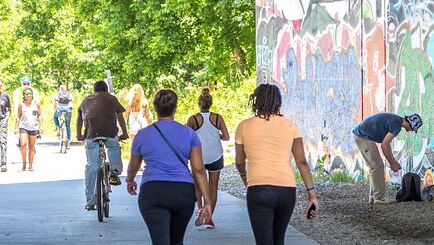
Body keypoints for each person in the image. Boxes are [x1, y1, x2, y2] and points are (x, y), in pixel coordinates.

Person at [126, 89, 212, 244]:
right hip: (182, 192)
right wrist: (207, 202)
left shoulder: (142, 135)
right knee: (177, 240)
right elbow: (198, 169)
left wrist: (129, 181)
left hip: (152, 192)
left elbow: (133, 166)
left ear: (155, 108)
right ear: (175, 108)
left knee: (160, 240)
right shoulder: (189, 134)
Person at [235, 83, 318, 244]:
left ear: (256, 101)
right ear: (278, 103)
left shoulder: (244, 126)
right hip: (286, 190)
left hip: (258, 189)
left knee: (264, 241)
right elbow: (301, 162)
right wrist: (312, 194)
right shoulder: (290, 126)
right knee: (279, 239)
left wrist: (244, 176)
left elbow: (239, 162)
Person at [77, 80, 129, 210]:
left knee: (92, 166)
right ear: (106, 89)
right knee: (113, 147)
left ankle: (90, 200)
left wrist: (79, 135)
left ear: (94, 90)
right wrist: (125, 133)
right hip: (109, 133)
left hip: (91, 135)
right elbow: (120, 117)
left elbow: (79, 118)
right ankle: (114, 172)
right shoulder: (111, 98)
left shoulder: (85, 100)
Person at [353, 111, 423, 204]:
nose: (411, 131)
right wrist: (392, 163)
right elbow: (384, 145)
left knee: (375, 166)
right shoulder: (396, 125)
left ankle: (373, 198)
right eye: (413, 129)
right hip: (363, 137)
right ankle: (378, 198)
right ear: (410, 124)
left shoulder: (395, 119)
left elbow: (387, 144)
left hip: (362, 135)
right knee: (377, 166)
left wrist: (394, 161)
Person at [186, 88, 230, 229]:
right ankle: (209, 219)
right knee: (213, 187)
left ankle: (200, 210)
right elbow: (227, 136)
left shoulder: (193, 119)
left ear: (199, 103)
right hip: (216, 154)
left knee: (198, 185)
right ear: (211, 103)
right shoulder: (218, 118)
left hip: (198, 155)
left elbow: (187, 138)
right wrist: (217, 136)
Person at [15, 87, 42, 171]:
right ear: (24, 95)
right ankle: (24, 163)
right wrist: (16, 127)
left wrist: (41, 126)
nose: (29, 95)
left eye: (30, 93)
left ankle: (30, 165)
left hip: (33, 127)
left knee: (31, 147)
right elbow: (18, 117)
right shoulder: (21, 105)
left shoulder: (36, 104)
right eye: (27, 94)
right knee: (23, 144)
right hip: (24, 127)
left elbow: (39, 115)